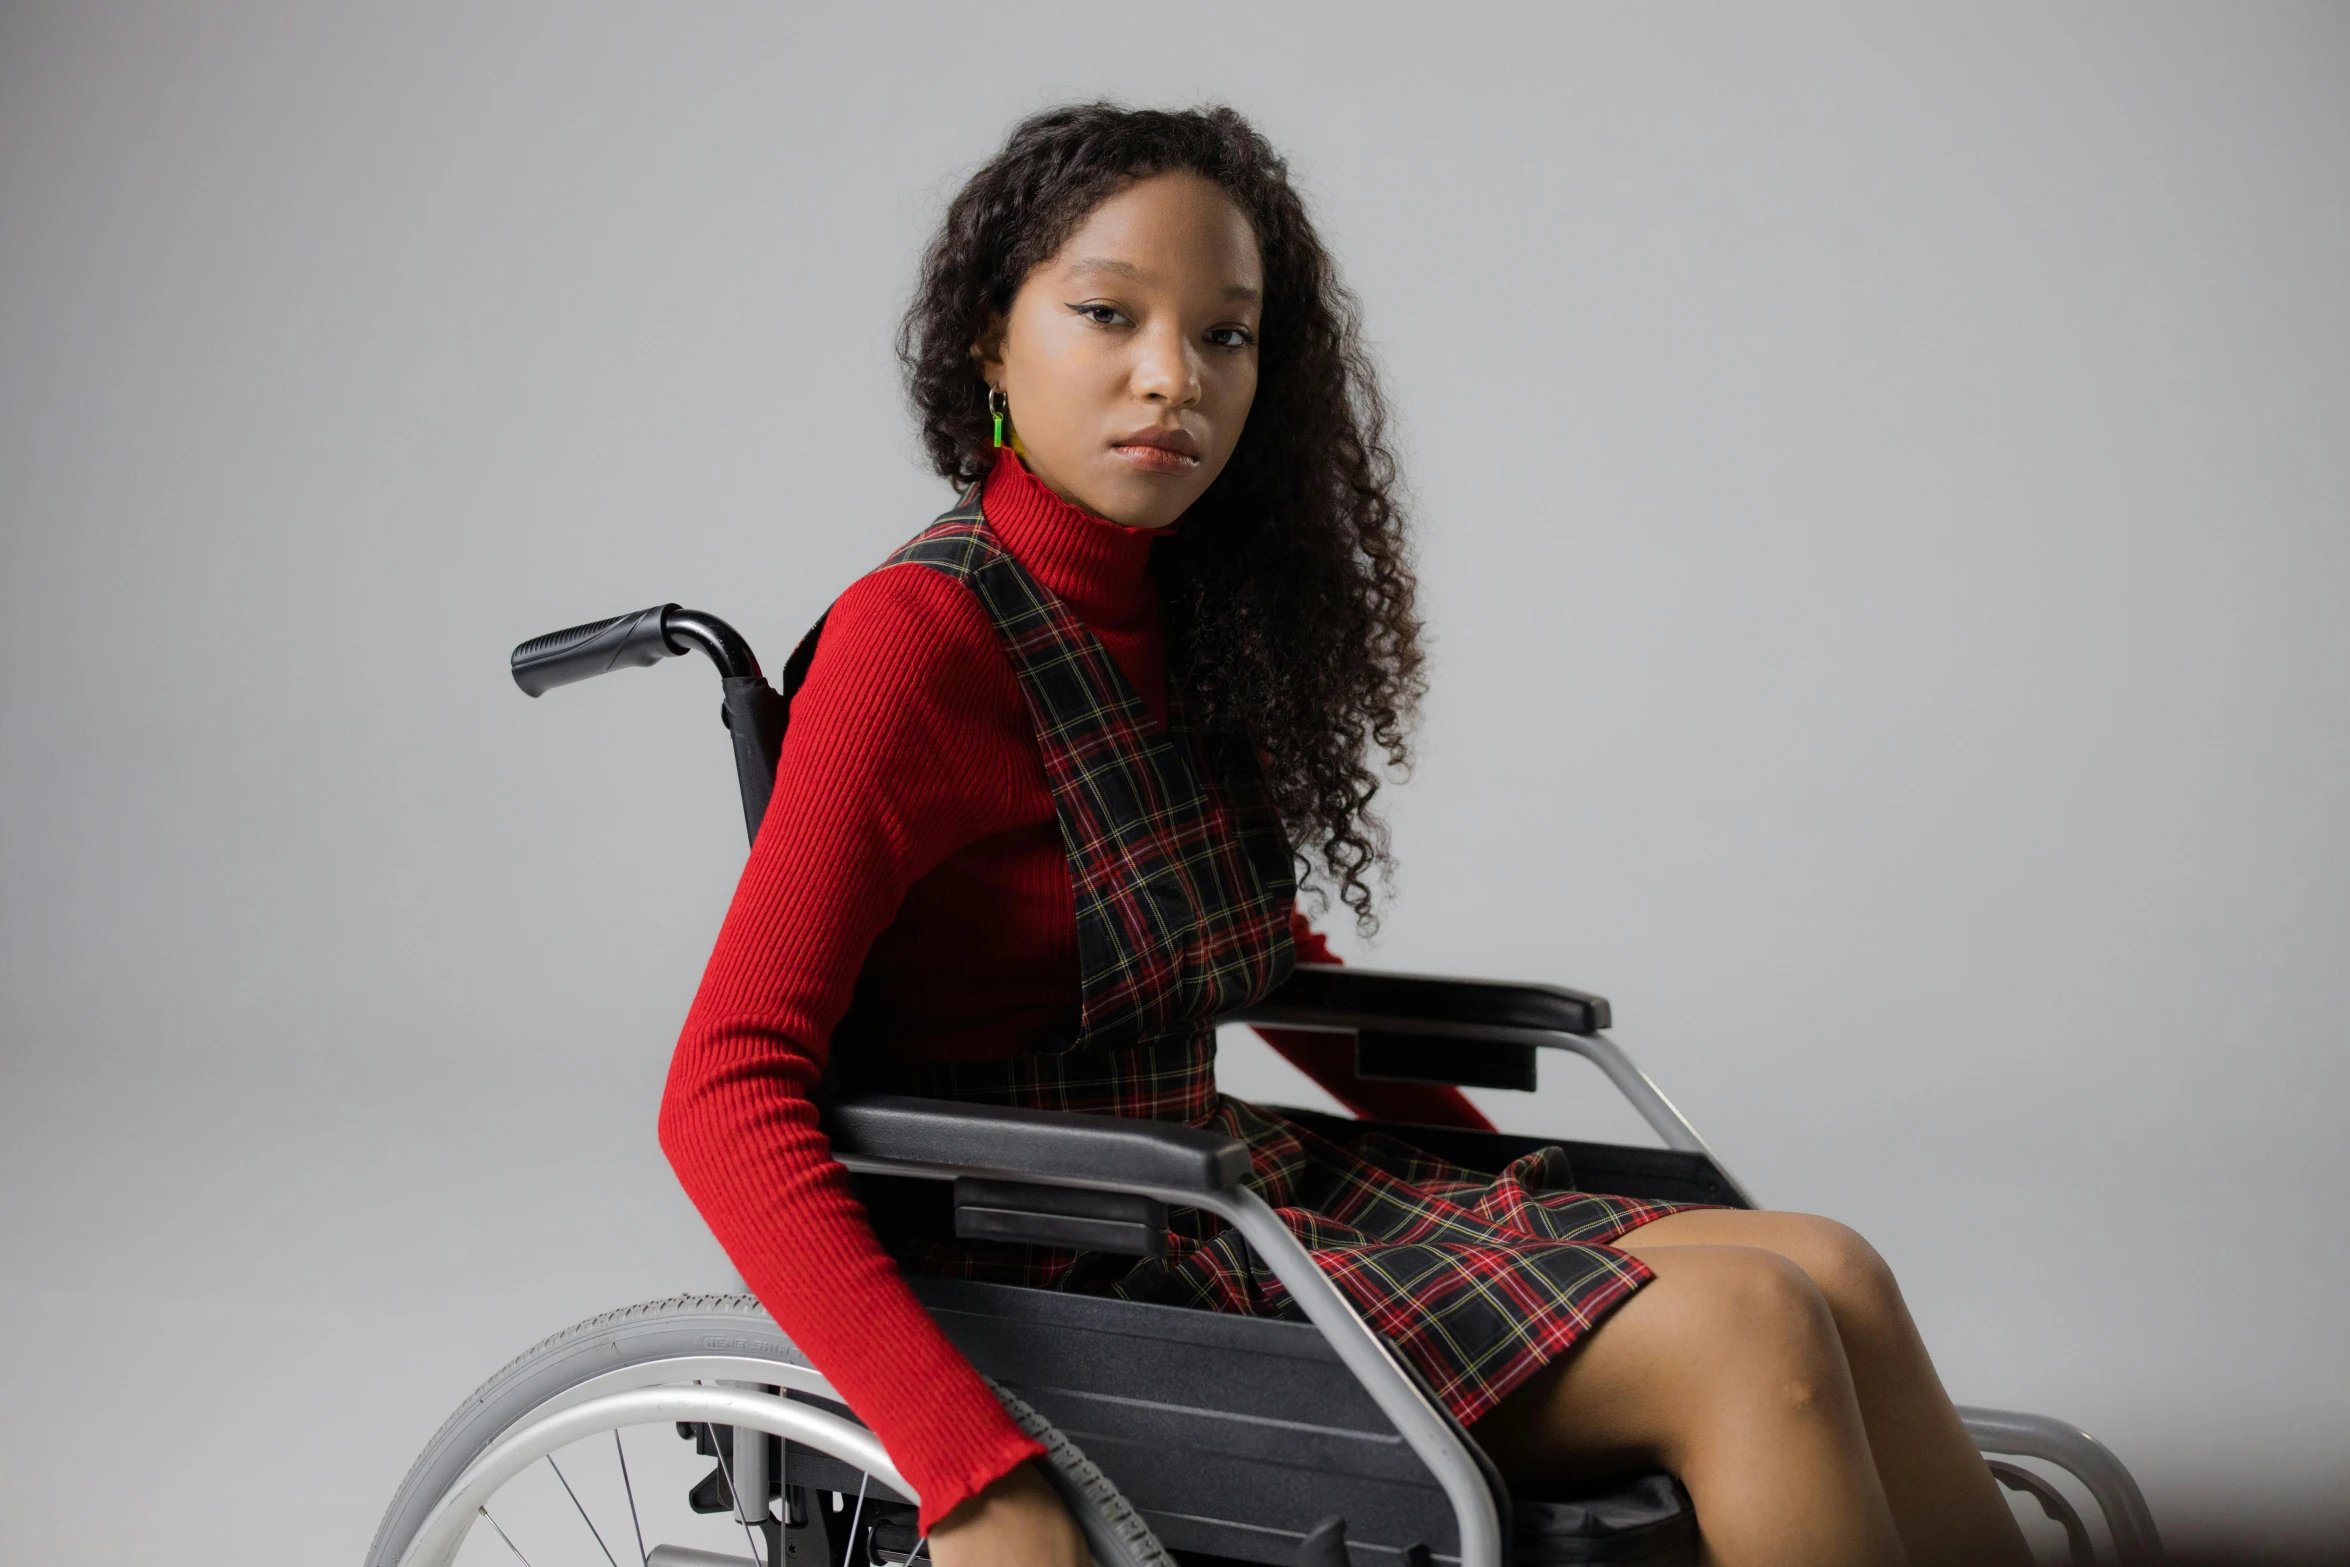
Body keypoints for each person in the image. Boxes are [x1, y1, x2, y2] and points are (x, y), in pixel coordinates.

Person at [659, 103, 2031, 1567]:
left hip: (1222, 1191)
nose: (1170, 377)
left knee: (1833, 1269)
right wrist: (973, 1475)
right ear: (993, 344)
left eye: (1226, 336)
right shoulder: (916, 642)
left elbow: (1249, 949)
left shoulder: (1185, 613)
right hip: (1066, 1265)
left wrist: (1500, 1199)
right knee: (1751, 1329)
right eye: (1106, 315)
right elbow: (722, 1088)